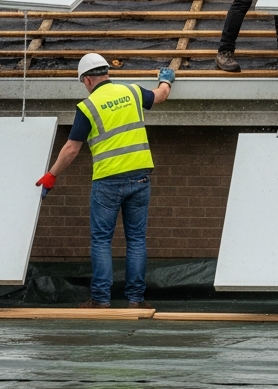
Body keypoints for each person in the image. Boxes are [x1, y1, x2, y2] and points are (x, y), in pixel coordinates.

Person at [35, 54, 175, 309]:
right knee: (136, 239)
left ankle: (101, 300)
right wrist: (166, 81)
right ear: (107, 73)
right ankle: (135, 300)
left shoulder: (88, 106)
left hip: (108, 180)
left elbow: (71, 149)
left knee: (101, 240)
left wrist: (52, 174)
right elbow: (160, 96)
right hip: (140, 176)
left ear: (88, 79)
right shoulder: (131, 91)